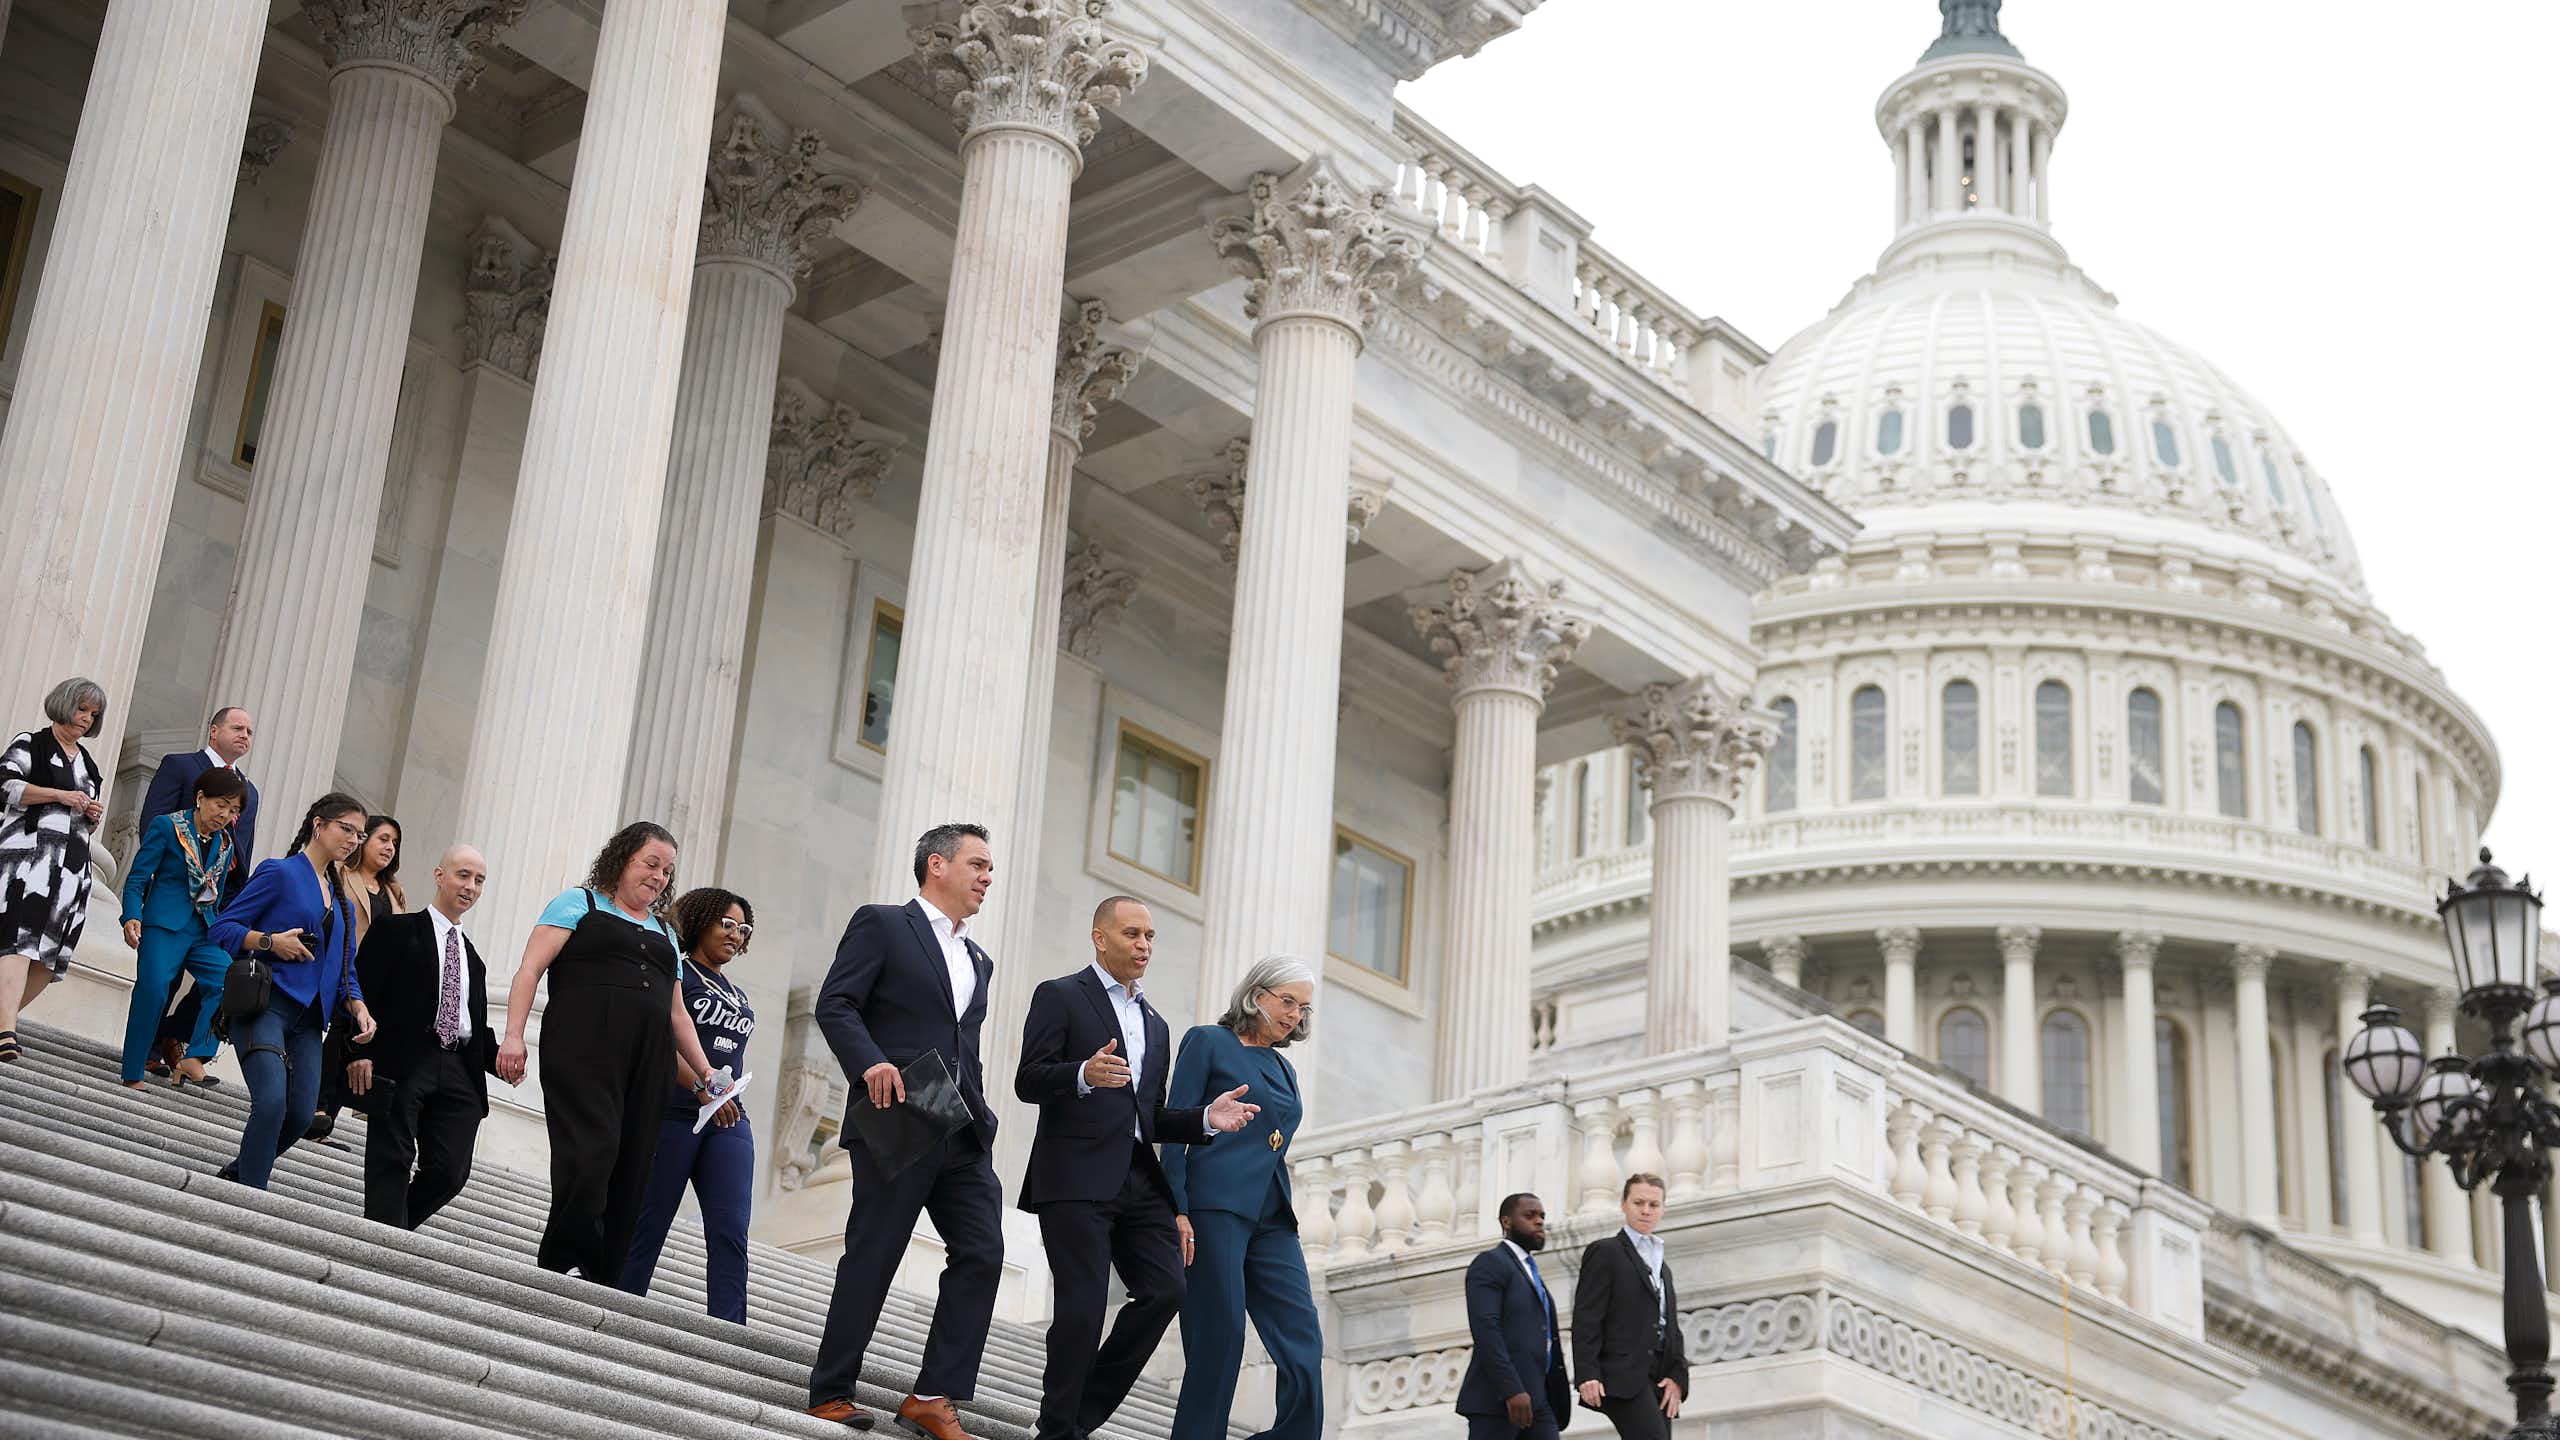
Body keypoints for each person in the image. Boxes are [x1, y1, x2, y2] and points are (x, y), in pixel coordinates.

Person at [1016, 896, 1258, 1440]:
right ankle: (1058, 1430)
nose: (1144, 945)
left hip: (1138, 1180)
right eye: (1132, 934)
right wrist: (1082, 1073)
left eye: (1150, 936)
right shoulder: (1060, 996)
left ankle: (1079, 1417)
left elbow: (1148, 1116)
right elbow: (1028, 1079)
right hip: (1074, 1176)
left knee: (1166, 1290)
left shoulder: (1157, 1023)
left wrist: (1206, 1120)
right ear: (1100, 937)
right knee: (1081, 1313)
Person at [807, 823, 1004, 1438]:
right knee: (877, 1248)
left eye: (990, 867)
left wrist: (979, 1108)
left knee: (983, 1250)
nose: (986, 876)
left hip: (956, 1118)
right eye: (976, 864)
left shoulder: (979, 957)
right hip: (897, 1109)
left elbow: (960, 1039)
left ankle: (932, 1396)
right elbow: (836, 1002)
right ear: (936, 865)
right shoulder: (884, 924)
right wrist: (869, 1062)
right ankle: (831, 1389)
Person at [496, 822, 731, 1284]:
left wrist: (706, 1074)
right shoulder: (577, 904)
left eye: (667, 870)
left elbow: (678, 1014)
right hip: (582, 1051)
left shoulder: (666, 932)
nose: (659, 877)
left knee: (632, 1168)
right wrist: (513, 1035)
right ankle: (558, 1261)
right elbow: (529, 971)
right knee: (592, 1154)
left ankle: (604, 1275)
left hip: (648, 1064)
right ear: (623, 859)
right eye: (650, 863)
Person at [1162, 956, 1323, 1440]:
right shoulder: (1208, 1042)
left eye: (1304, 1007)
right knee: (1220, 1340)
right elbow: (1174, 1129)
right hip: (1213, 1209)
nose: (1295, 1014)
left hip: (1272, 1218)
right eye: (1287, 1001)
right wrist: (1178, 1208)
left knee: (1303, 1343)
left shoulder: (1285, 1068)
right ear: (1257, 995)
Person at [207, 792, 379, 1189]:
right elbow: (223, 927)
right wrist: (270, 942)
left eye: (360, 834)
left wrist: (359, 1005)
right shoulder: (279, 872)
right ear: (319, 824)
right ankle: (252, 1192)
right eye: (346, 829)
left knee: (301, 1115)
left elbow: (345, 967)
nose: (354, 840)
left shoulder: (343, 902)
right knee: (270, 1104)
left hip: (309, 1021)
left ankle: (240, 1171)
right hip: (265, 1004)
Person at [621, 886, 760, 1323]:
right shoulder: (676, 971)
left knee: (730, 1228)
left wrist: (720, 1095)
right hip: (674, 1110)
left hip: (728, 1118)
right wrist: (702, 1087)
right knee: (650, 1219)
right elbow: (662, 1038)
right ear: (700, 920)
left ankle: (729, 1330)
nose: (736, 935)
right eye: (727, 924)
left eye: (744, 928)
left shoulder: (737, 993)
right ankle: (620, 1307)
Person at [344, 844, 498, 1229]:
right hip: (404, 1056)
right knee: (392, 1155)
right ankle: (383, 1239)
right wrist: (356, 1051)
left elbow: (473, 1024)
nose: (471, 887)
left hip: (459, 1065)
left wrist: (504, 1057)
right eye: (463, 875)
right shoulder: (396, 930)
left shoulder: (473, 959)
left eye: (479, 880)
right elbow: (360, 989)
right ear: (439, 875)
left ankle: (393, 1229)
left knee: (450, 1171)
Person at [139, 706, 258, 1077]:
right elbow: (152, 821)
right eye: (237, 727)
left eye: (250, 732)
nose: (245, 735)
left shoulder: (250, 790)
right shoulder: (179, 765)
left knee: (223, 976)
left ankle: (178, 1039)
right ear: (213, 731)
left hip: (224, 899)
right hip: (175, 891)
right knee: (165, 974)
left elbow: (243, 848)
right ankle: (147, 1050)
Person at [0, 678, 110, 1064]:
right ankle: (5, 1031)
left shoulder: (88, 763)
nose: (86, 719)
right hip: (29, 860)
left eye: (93, 714)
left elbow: (84, 815)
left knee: (48, 959)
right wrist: (59, 795)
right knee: (17, 941)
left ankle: (3, 1022)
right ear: (64, 704)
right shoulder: (32, 743)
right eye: (82, 709)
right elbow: (6, 786)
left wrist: (92, 814)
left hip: (72, 870)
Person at [116, 766, 246, 1088]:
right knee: (154, 988)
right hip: (163, 924)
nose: (225, 815)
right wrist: (131, 915)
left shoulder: (226, 842)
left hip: (203, 929)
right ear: (201, 797)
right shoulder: (167, 826)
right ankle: (133, 1071)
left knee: (230, 982)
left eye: (233, 810)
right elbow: (136, 879)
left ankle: (194, 1057)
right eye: (221, 805)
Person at [308, 813, 405, 1142]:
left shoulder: (393, 893)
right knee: (335, 1037)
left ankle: (326, 1117)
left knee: (355, 1046)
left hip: (375, 983)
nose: (389, 847)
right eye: (383, 838)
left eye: (394, 842)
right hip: (340, 971)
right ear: (363, 841)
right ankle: (316, 1107)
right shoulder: (340, 875)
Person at [1571, 1174, 1689, 1440]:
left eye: (1653, 1204)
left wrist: (1678, 1377)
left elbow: (1670, 1325)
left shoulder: (1663, 1266)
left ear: (1663, 1209)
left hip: (1659, 1378)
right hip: (1622, 1375)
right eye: (1639, 1202)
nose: (1646, 1210)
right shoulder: (1605, 1251)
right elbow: (1587, 1316)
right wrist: (1587, 1372)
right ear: (1623, 1204)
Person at [1457, 1193, 1572, 1440]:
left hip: (1539, 1400)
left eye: (1542, 1216)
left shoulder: (1531, 1272)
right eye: (1530, 1216)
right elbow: (1486, 1329)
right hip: (1499, 1401)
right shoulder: (1490, 1263)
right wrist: (1511, 1390)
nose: (1539, 1221)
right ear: (1506, 1222)